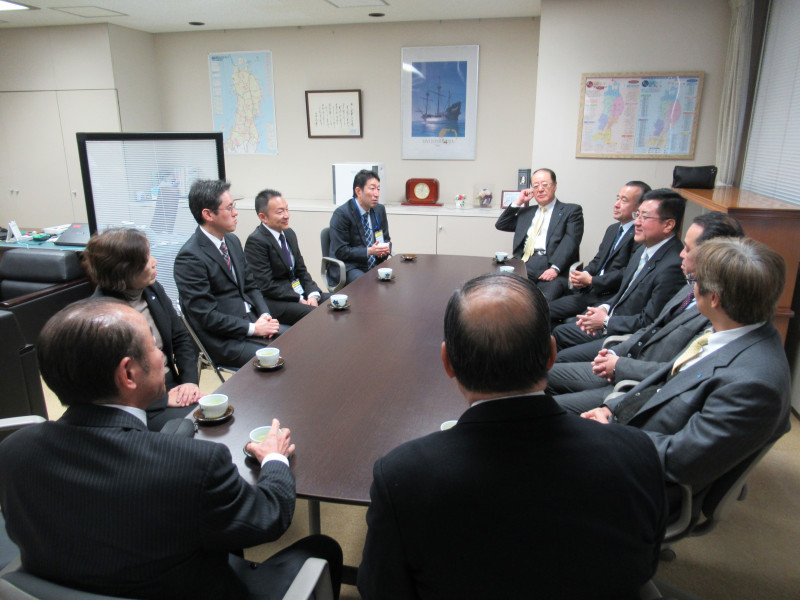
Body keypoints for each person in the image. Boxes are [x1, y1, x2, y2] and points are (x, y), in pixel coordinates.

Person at [0, 299, 342, 600]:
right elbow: (269, 518)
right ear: (129, 373)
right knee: (323, 548)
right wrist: (275, 459)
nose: (162, 355)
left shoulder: (14, 451)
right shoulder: (194, 465)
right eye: (153, 346)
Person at [357, 273, 666, 600]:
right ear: (551, 355)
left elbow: (380, 591)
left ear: (447, 363)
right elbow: (643, 567)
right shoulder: (635, 455)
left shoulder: (403, 478)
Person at [582, 238, 791, 492]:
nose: (692, 288)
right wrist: (612, 409)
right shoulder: (728, 332)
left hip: (646, 480)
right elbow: (667, 379)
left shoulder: (753, 385)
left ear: (714, 299)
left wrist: (613, 437)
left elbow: (681, 460)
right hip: (633, 433)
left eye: (695, 281)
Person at [550, 212, 745, 414]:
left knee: (552, 403)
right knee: (546, 375)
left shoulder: (716, 312)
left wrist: (619, 365)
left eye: (688, 249)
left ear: (714, 256)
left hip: (637, 386)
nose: (681, 253)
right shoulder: (690, 287)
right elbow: (653, 328)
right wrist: (615, 353)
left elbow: (677, 369)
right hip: (625, 361)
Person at [83, 227, 201, 431]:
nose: (155, 262)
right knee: (200, 427)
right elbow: (107, 388)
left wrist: (190, 383)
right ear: (124, 270)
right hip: (136, 404)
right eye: (146, 259)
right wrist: (163, 400)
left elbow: (181, 337)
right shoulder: (101, 316)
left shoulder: (151, 288)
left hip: (170, 385)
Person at [552, 188, 686, 362]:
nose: (637, 222)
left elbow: (651, 322)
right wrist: (604, 308)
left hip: (627, 337)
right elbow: (624, 293)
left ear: (668, 225)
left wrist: (606, 321)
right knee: (559, 333)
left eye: (645, 217)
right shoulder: (643, 250)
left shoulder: (673, 265)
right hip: (612, 319)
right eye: (637, 215)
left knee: (562, 358)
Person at [175, 179, 282, 368]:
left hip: (251, 322)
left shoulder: (232, 241)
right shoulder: (190, 258)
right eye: (229, 208)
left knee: (298, 340)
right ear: (208, 214)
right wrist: (253, 329)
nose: (235, 213)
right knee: (284, 355)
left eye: (234, 206)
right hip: (224, 340)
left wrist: (264, 314)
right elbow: (207, 316)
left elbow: (250, 285)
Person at [548, 181, 648, 325]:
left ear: (640, 207)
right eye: (617, 198)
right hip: (590, 292)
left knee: (571, 326)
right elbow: (598, 260)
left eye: (624, 200)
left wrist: (592, 280)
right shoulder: (613, 229)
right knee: (543, 310)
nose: (616, 204)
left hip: (610, 297)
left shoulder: (641, 235)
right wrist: (583, 275)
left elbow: (628, 273)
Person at [494, 168, 584, 301]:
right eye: (536, 186)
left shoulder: (571, 211)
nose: (540, 189)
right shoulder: (526, 212)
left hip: (551, 264)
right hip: (524, 262)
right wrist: (519, 202)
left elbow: (571, 242)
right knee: (506, 297)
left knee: (541, 302)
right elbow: (501, 224)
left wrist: (555, 268)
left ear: (555, 186)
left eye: (545, 185)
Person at [245, 189, 329, 325]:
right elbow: (266, 285)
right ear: (263, 217)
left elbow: (301, 270)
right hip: (276, 301)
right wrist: (298, 298)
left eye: (287, 210)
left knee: (338, 302)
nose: (286, 215)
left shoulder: (289, 233)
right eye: (280, 212)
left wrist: (312, 294)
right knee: (317, 315)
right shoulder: (256, 241)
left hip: (297, 292)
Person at [329, 169, 391, 284]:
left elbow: (386, 239)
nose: (376, 194)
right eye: (372, 189)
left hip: (375, 263)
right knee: (368, 283)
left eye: (378, 189)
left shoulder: (379, 210)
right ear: (358, 191)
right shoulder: (342, 214)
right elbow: (341, 251)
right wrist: (370, 251)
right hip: (350, 267)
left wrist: (384, 249)